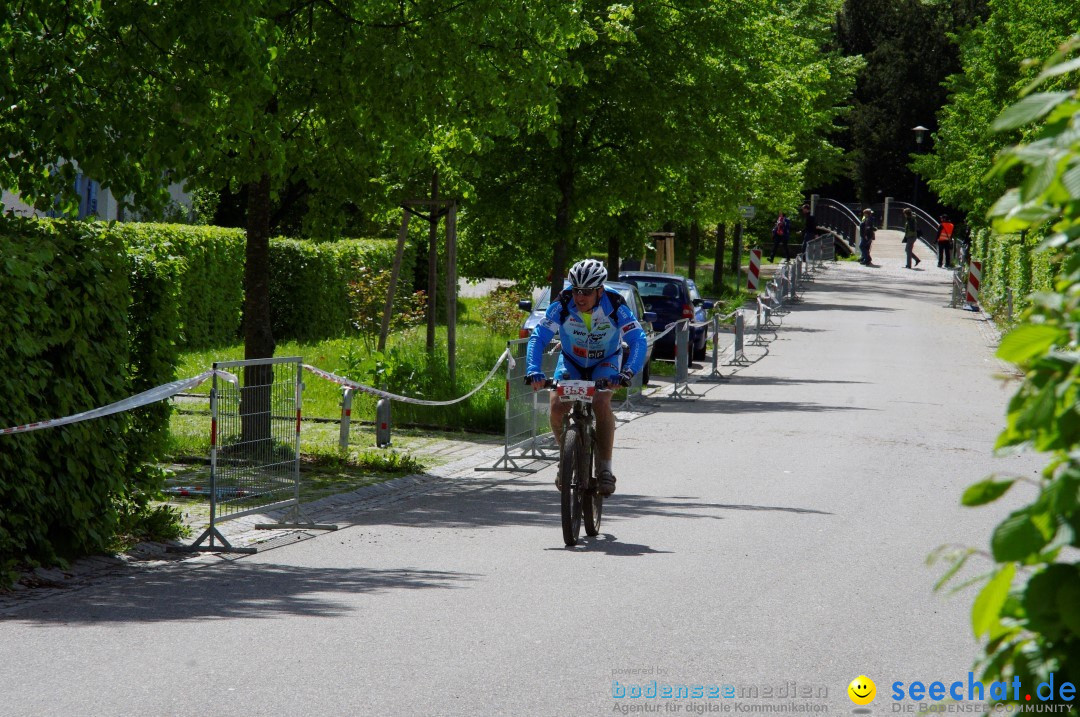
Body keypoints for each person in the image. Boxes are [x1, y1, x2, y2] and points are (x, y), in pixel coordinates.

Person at [525, 259, 648, 497]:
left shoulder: (615, 303)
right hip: (572, 360)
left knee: (601, 403)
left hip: (606, 361)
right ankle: (566, 458)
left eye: (587, 292)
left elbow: (638, 339)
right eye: (576, 290)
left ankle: (605, 468)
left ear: (599, 290)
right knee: (557, 406)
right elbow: (539, 336)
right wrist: (533, 369)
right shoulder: (562, 303)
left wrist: (627, 372)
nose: (580, 297)